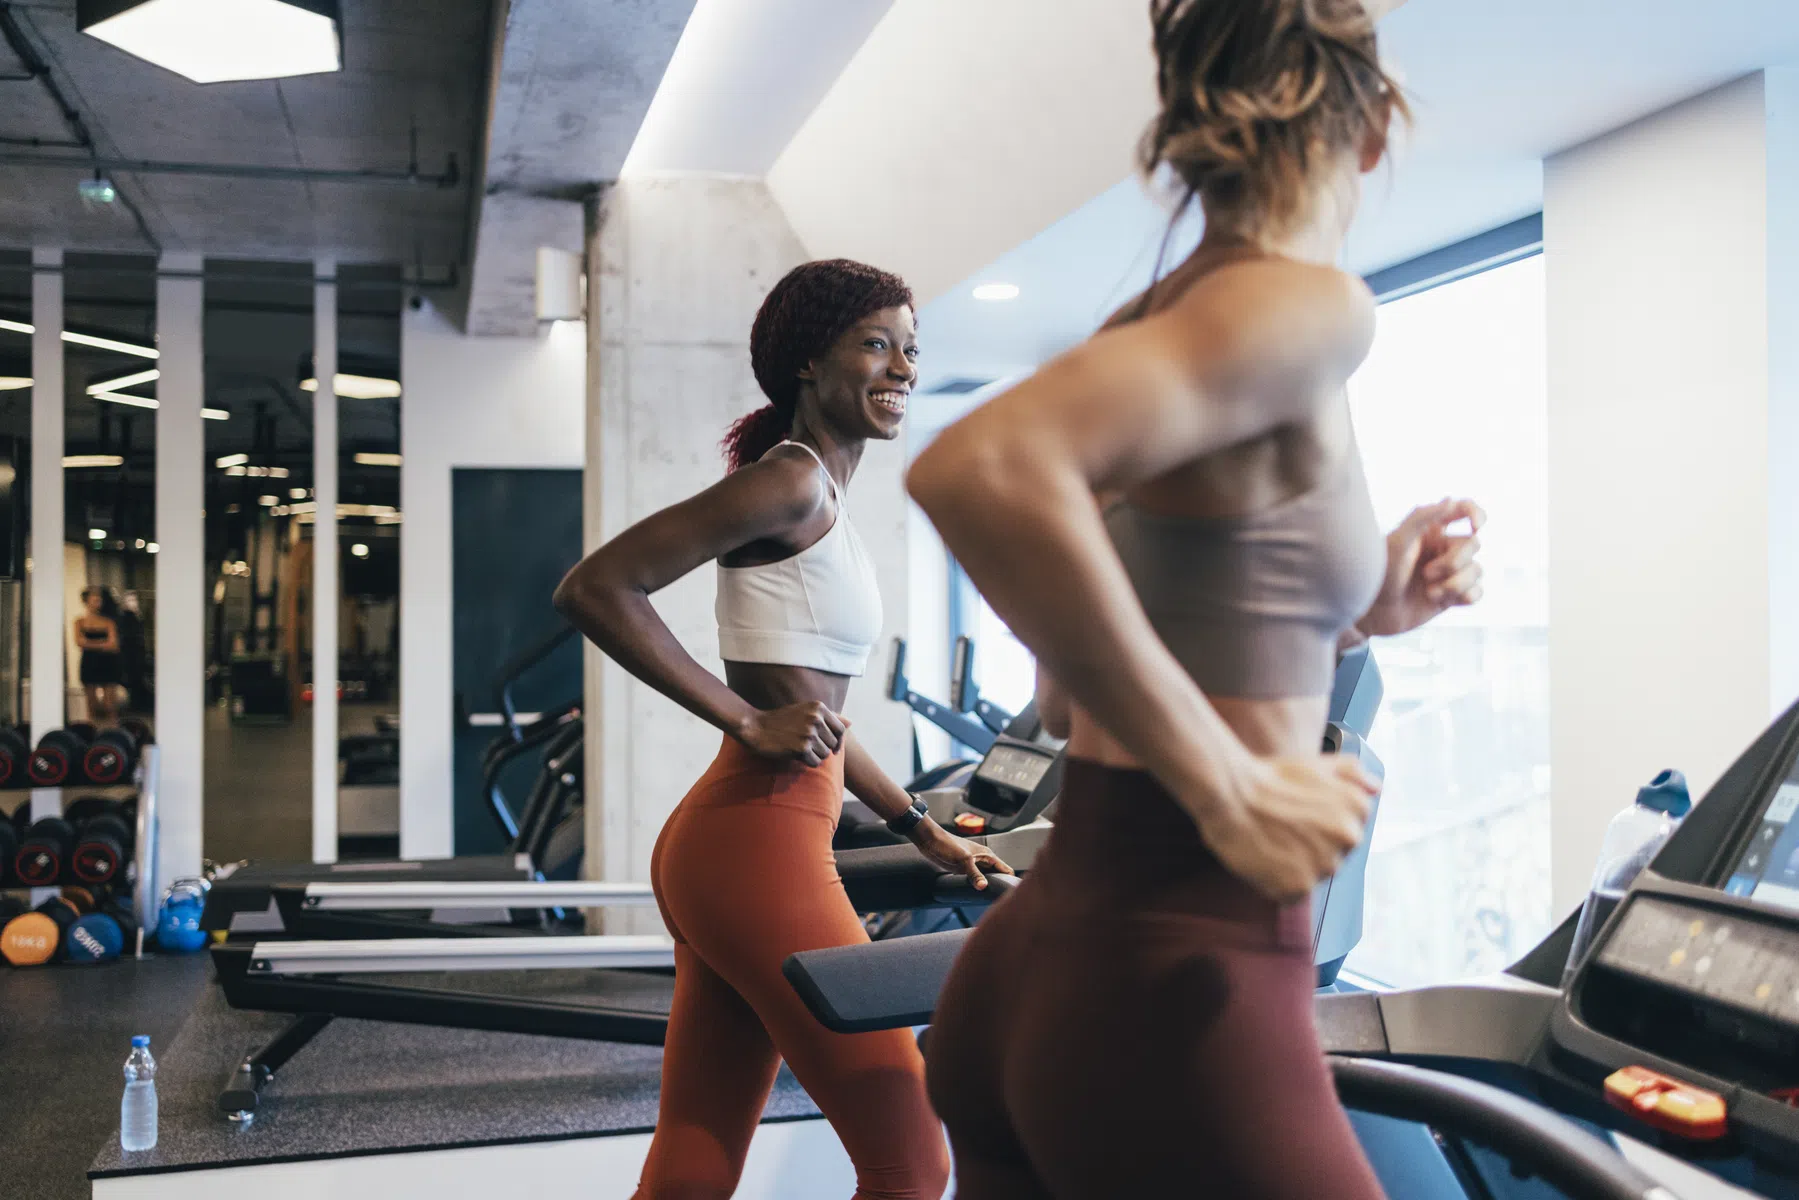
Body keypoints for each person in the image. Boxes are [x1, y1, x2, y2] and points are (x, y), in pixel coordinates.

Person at [907, 1, 1483, 1195]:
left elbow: (1073, 687)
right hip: (1177, 972)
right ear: (1372, 126)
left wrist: (1372, 596)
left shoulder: (1154, 321)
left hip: (1040, 966)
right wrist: (1227, 789)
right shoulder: (1306, 304)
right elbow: (978, 468)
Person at [553, 259, 1005, 1200]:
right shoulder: (789, 485)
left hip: (738, 839)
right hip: (755, 841)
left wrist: (920, 827)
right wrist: (746, 719)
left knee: (700, 1144)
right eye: (876, 343)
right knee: (912, 1157)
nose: (903, 368)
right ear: (810, 360)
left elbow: (824, 726)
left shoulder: (822, 500)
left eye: (911, 348)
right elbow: (596, 587)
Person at [74, 586, 124, 726]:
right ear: (86, 601)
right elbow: (79, 642)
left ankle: (114, 733)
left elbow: (113, 644)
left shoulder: (108, 622)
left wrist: (89, 643)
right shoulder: (79, 622)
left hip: (108, 662)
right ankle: (93, 735)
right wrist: (102, 643)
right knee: (92, 704)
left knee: (109, 705)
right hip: (89, 662)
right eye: (95, 599)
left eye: (99, 599)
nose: (98, 602)